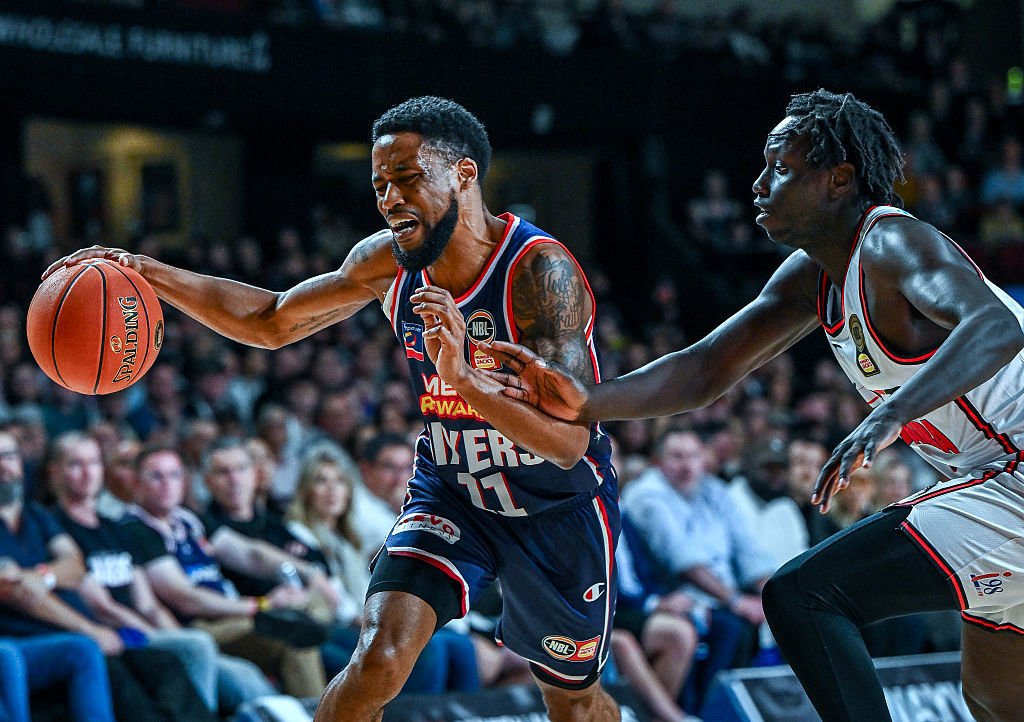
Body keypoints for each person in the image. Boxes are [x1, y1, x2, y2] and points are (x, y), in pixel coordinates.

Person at [48, 96, 621, 721]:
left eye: (407, 178)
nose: (390, 200)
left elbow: (568, 443)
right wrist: (146, 273)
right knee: (378, 657)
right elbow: (272, 320)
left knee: (572, 702)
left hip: (556, 508)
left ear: (463, 174)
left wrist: (463, 378)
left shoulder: (538, 271)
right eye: (380, 185)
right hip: (454, 492)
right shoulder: (388, 261)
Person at [478, 88, 1024, 722]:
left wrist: (890, 413)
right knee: (995, 701)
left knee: (805, 597)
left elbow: (995, 325)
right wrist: (586, 402)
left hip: (1011, 476)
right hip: (990, 480)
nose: (761, 185)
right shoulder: (813, 277)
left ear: (838, 179)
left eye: (781, 168)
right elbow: (706, 366)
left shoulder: (892, 243)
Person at [48, 431, 277, 715]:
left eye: (94, 463)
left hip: (147, 630)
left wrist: (174, 637)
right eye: (76, 464)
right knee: (201, 650)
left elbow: (147, 603)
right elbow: (101, 605)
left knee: (238, 672)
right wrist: (154, 635)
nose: (87, 473)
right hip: (112, 634)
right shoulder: (58, 527)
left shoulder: (113, 528)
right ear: (55, 472)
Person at [122, 443, 328, 699]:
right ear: (135, 482)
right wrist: (259, 605)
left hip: (232, 618)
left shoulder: (188, 520)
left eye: (174, 475)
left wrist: (310, 572)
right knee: (297, 634)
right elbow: (185, 598)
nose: (167, 484)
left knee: (309, 618)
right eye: (156, 476)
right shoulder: (134, 528)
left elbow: (251, 553)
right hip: (200, 627)